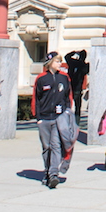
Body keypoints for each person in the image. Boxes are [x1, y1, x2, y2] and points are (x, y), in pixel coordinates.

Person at [32, 50, 72, 188]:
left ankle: (53, 174)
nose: (60, 63)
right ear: (50, 63)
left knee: (56, 145)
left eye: (60, 61)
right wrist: (38, 118)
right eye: (57, 61)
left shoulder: (64, 78)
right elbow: (36, 99)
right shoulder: (41, 78)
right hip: (44, 117)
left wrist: (67, 111)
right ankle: (47, 171)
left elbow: (68, 96)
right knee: (46, 147)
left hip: (58, 117)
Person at [65, 49, 89, 119]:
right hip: (77, 87)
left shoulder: (73, 62)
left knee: (69, 102)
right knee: (77, 104)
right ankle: (76, 116)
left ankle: (69, 115)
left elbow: (67, 57)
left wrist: (74, 52)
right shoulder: (85, 66)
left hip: (71, 86)